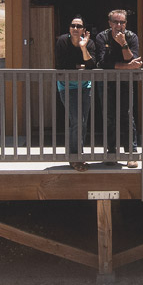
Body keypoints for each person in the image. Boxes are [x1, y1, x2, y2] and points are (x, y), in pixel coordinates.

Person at [94, 9, 142, 168]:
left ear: (126, 24)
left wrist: (123, 44)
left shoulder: (131, 37)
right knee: (109, 117)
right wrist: (127, 67)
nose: (119, 25)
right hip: (106, 82)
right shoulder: (102, 37)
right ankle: (111, 153)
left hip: (125, 82)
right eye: (115, 22)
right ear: (110, 23)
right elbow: (102, 63)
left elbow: (131, 58)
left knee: (127, 116)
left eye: (122, 22)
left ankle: (131, 154)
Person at [55, 15, 97, 172]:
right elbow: (61, 65)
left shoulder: (89, 43)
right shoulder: (62, 42)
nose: (75, 28)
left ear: (83, 30)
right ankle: (75, 156)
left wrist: (83, 47)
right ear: (69, 28)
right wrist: (80, 66)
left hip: (85, 86)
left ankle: (78, 154)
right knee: (77, 120)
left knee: (83, 121)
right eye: (73, 25)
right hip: (66, 87)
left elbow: (92, 64)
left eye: (79, 26)